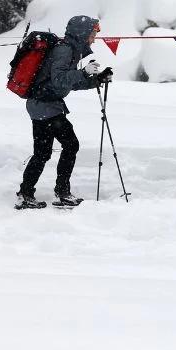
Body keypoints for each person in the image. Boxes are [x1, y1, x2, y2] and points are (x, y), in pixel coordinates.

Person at [16, 15, 112, 210]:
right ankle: (59, 193)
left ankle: (29, 193)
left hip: (46, 105)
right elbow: (59, 79)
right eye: (93, 34)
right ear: (82, 33)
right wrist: (84, 72)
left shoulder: (71, 50)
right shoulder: (64, 50)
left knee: (44, 152)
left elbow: (68, 83)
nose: (94, 39)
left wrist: (96, 80)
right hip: (44, 106)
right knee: (68, 145)